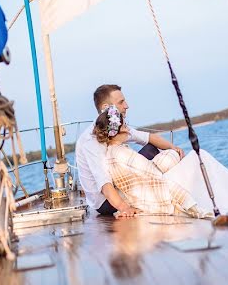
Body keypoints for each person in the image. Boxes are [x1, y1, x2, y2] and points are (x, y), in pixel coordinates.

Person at [93, 106, 228, 218]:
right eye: (125, 123)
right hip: (161, 199)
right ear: (120, 129)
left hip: (148, 195)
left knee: (194, 162)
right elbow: (159, 180)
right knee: (200, 158)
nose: (128, 127)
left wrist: (171, 154)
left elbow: (148, 172)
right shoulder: (124, 155)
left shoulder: (112, 154)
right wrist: (198, 211)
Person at [75, 84, 183, 218]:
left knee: (151, 149)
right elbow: (104, 184)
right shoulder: (90, 141)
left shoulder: (115, 124)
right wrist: (125, 208)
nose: (126, 106)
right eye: (121, 102)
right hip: (106, 202)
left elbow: (148, 137)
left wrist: (173, 148)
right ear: (106, 108)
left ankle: (160, 188)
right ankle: (163, 194)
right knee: (153, 161)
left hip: (119, 185)